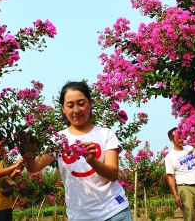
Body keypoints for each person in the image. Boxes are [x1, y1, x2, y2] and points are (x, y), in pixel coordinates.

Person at [22, 81, 132, 221]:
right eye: (70, 105)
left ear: (90, 103)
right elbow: (34, 167)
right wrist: (27, 156)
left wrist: (92, 161)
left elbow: (112, 174)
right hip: (79, 216)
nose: (76, 110)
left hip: (114, 212)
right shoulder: (57, 139)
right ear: (62, 108)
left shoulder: (106, 134)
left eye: (81, 103)